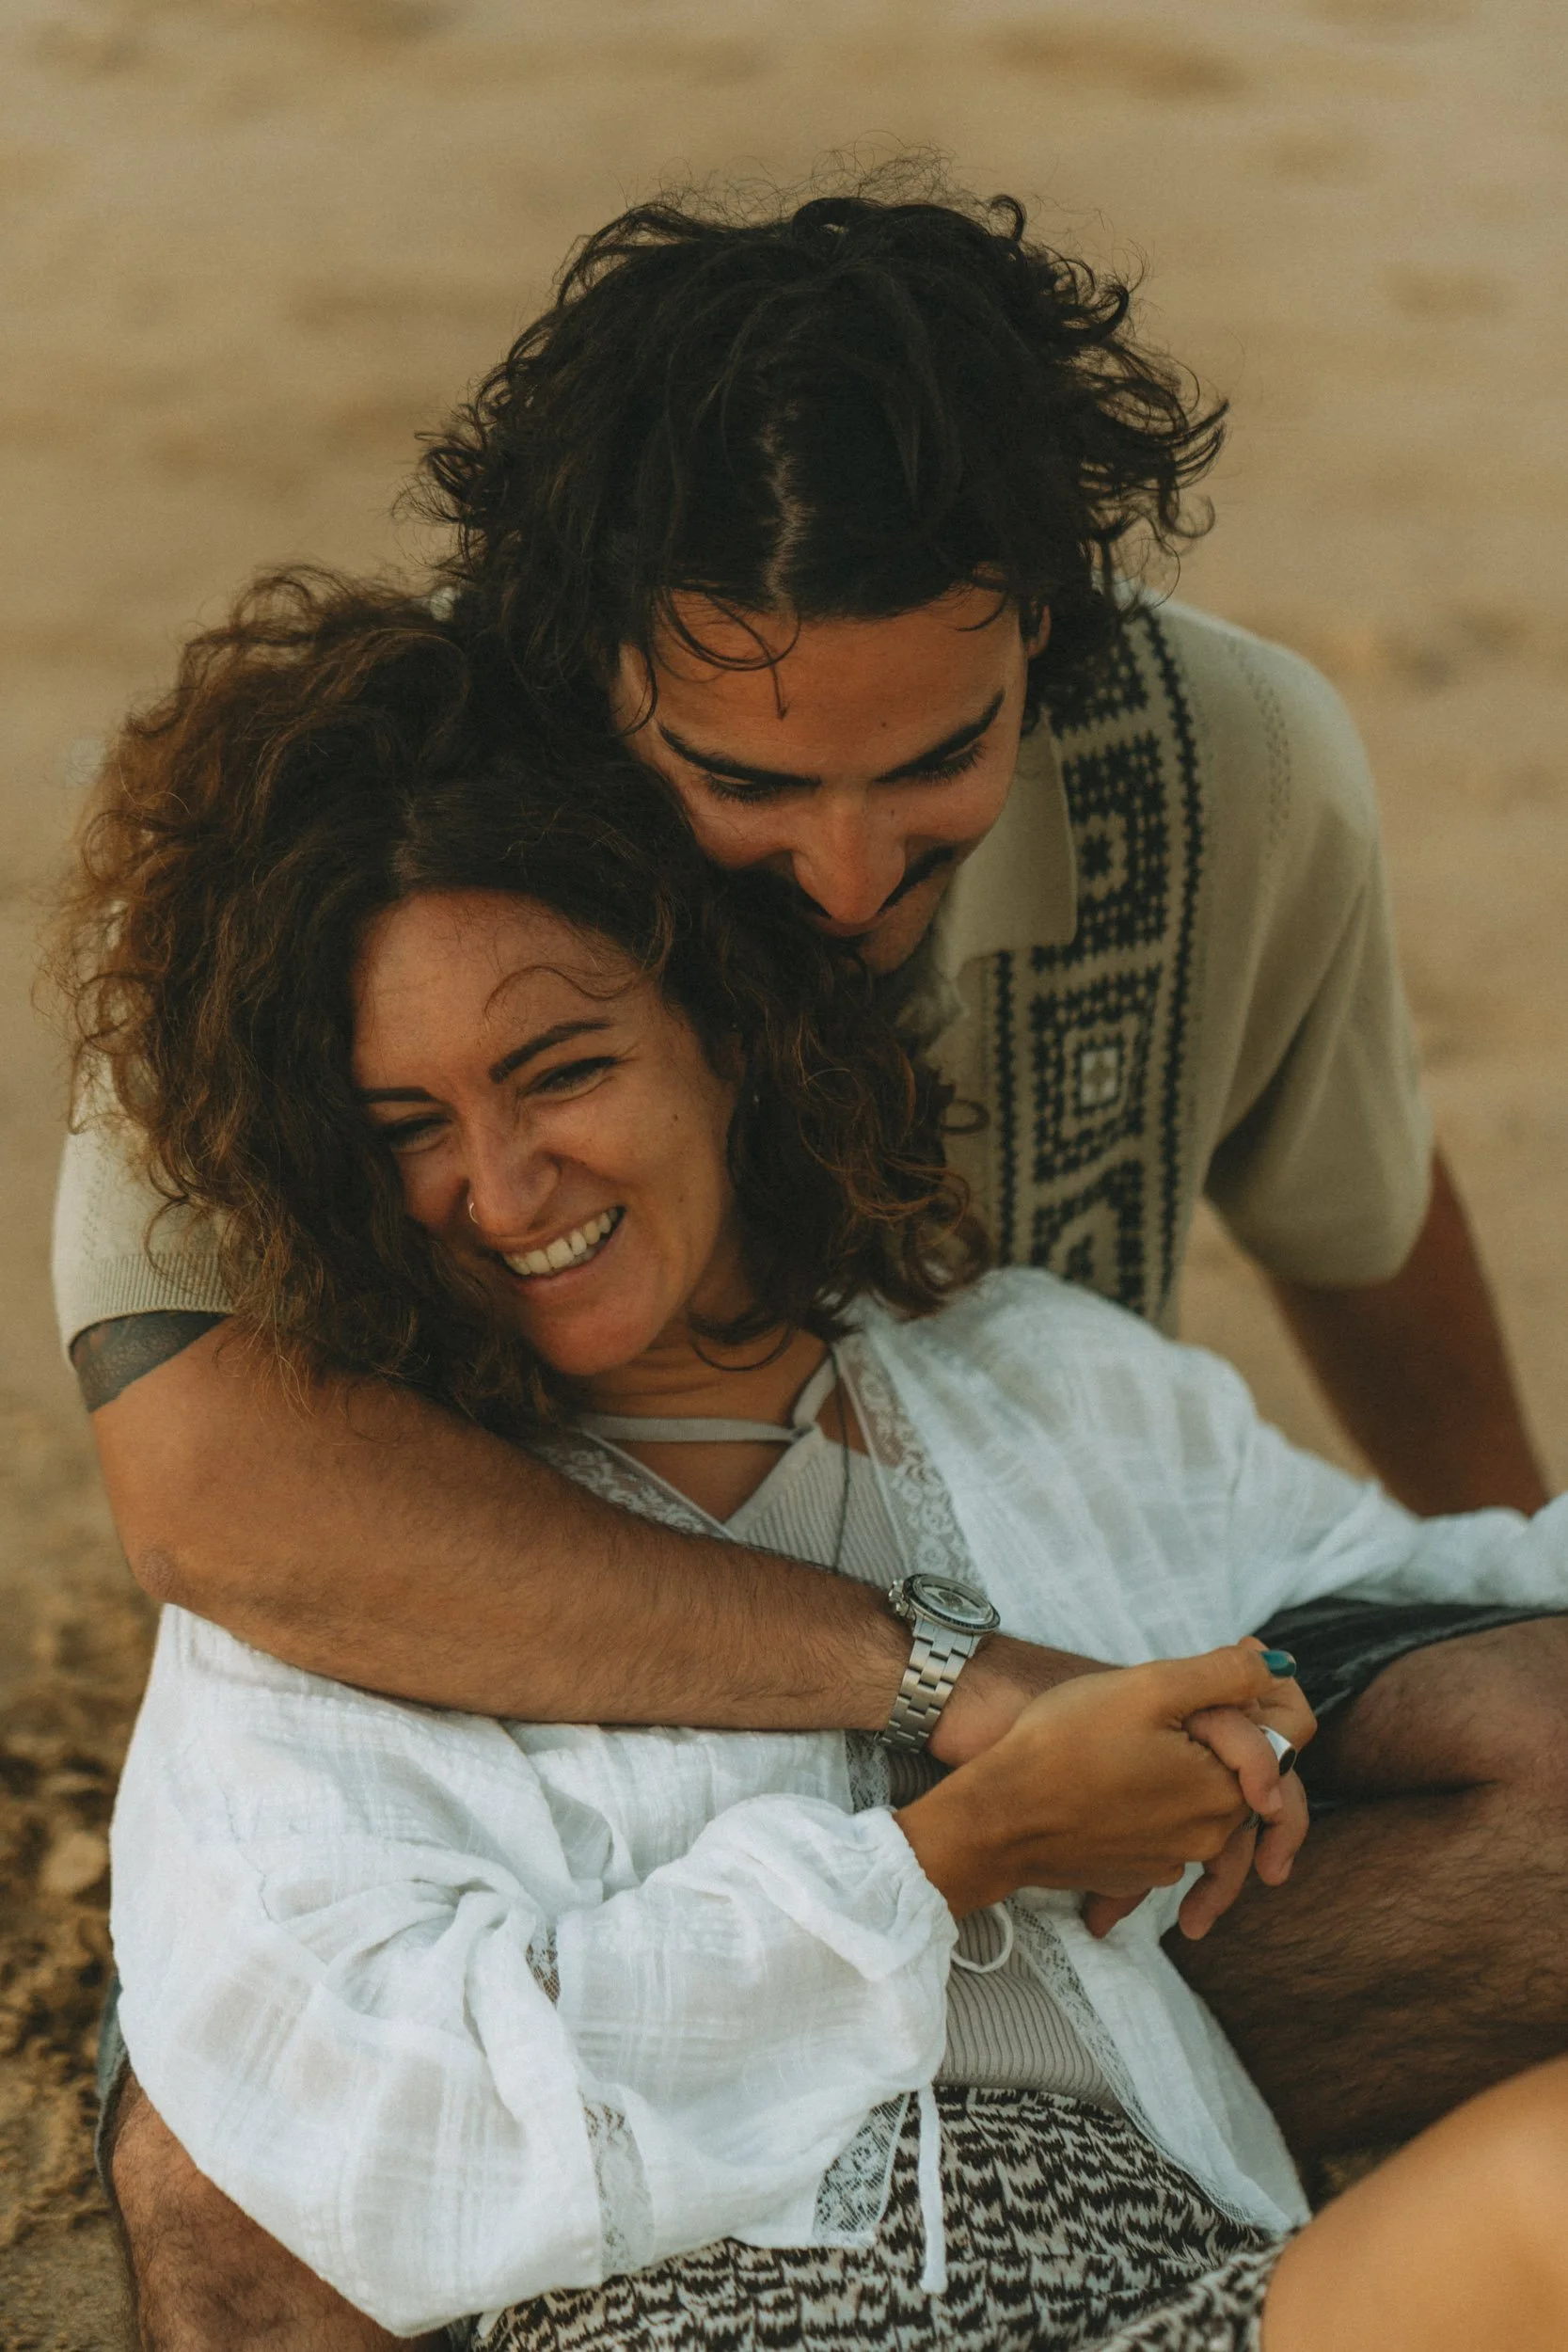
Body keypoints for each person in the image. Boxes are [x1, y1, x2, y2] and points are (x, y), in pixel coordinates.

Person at [55, 182, 1566, 2188]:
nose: (850, 878)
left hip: (1094, 1608)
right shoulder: (363, 830)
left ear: (1042, 611)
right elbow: (213, 1483)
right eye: (750, 787)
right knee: (214, 2166)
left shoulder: (1224, 762)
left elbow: (1363, 1230)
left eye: (935, 762)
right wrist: (941, 1680)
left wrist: (1506, 1584)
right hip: (572, 1761)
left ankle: (958, 2188)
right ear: (589, 667)